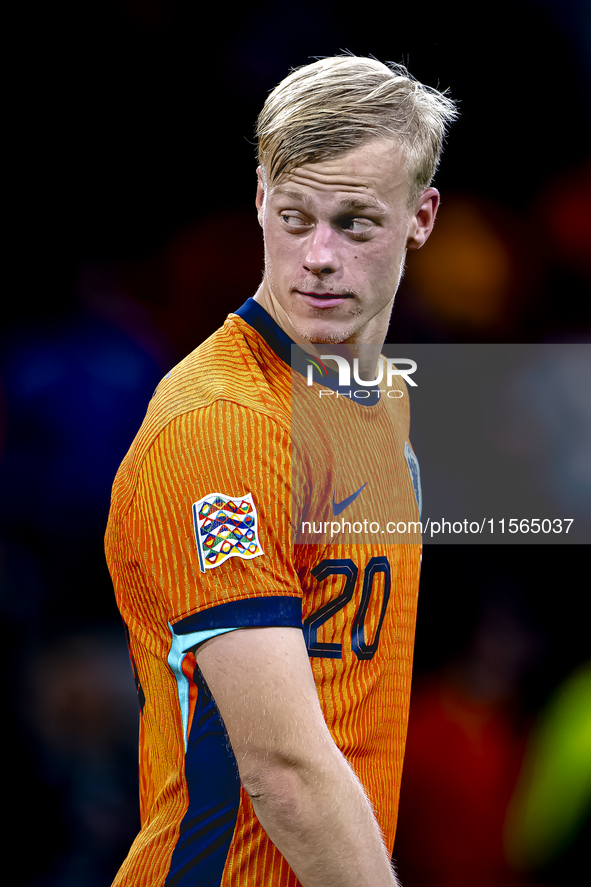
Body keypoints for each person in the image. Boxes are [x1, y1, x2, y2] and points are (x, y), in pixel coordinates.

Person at [105, 55, 457, 887]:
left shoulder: (384, 404)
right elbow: (285, 773)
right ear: (259, 198)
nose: (319, 257)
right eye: (294, 216)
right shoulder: (221, 423)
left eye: (356, 222)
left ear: (421, 215)